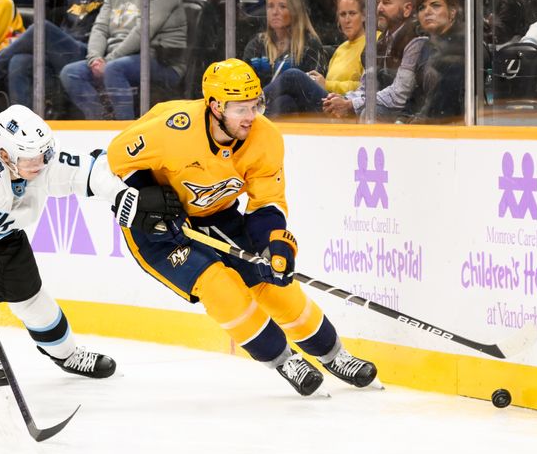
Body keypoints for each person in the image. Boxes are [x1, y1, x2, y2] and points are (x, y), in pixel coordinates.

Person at [105, 58, 378, 396]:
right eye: (240, 109)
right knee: (220, 287)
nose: (251, 116)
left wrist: (275, 244)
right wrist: (149, 194)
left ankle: (335, 354)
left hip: (218, 215)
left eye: (256, 105)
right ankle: (283, 359)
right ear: (215, 106)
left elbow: (267, 202)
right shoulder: (173, 129)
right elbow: (117, 156)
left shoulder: (265, 137)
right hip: (160, 229)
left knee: (273, 284)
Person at [0, 104, 184, 386]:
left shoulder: (40, 163)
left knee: (31, 297)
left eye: (44, 154)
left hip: (0, 231)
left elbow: (89, 171)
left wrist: (124, 195)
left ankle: (67, 354)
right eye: (30, 158)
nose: (40, 163)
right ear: (4, 155)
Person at [59, 0, 187, 120]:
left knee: (114, 69)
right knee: (71, 73)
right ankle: (100, 123)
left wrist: (107, 61)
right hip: (117, 59)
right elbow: (100, 28)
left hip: (160, 61)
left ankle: (124, 128)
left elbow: (143, 31)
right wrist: (95, 59)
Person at [323, 0, 425, 121]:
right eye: (379, 2)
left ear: (407, 9)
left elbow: (399, 95)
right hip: (375, 105)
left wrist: (351, 104)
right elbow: (365, 87)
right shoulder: (380, 40)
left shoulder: (415, 40)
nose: (379, 8)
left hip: (404, 115)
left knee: (370, 113)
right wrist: (344, 99)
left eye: (387, 2)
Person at [262, 0, 372, 117]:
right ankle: (253, 123)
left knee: (293, 75)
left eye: (352, 13)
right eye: (343, 14)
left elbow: (368, 88)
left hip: (347, 106)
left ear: (364, 15)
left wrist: (327, 84)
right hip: (329, 101)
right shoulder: (341, 49)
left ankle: (253, 101)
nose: (347, 20)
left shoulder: (373, 42)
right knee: (286, 101)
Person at [401, 0, 465, 123]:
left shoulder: (463, 46)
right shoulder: (427, 45)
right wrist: (402, 119)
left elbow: (444, 104)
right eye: (422, 7)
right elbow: (417, 93)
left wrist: (420, 122)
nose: (427, 11)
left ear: (452, 12)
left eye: (435, 5)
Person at [242, 0, 328, 88]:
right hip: (258, 102)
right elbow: (244, 81)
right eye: (270, 6)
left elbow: (313, 88)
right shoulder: (257, 44)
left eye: (282, 6)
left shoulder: (310, 44)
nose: (275, 12)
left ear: (295, 11)